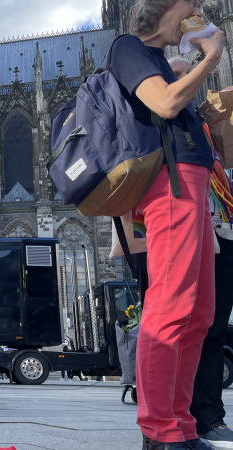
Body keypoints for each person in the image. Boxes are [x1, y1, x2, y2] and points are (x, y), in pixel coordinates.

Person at [114, 2, 222, 449]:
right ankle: (159, 432)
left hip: (193, 186)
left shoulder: (160, 60)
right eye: (191, 6)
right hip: (170, 185)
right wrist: (211, 57)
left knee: (199, 315)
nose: (198, 13)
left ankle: (182, 424)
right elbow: (164, 102)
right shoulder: (129, 48)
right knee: (170, 308)